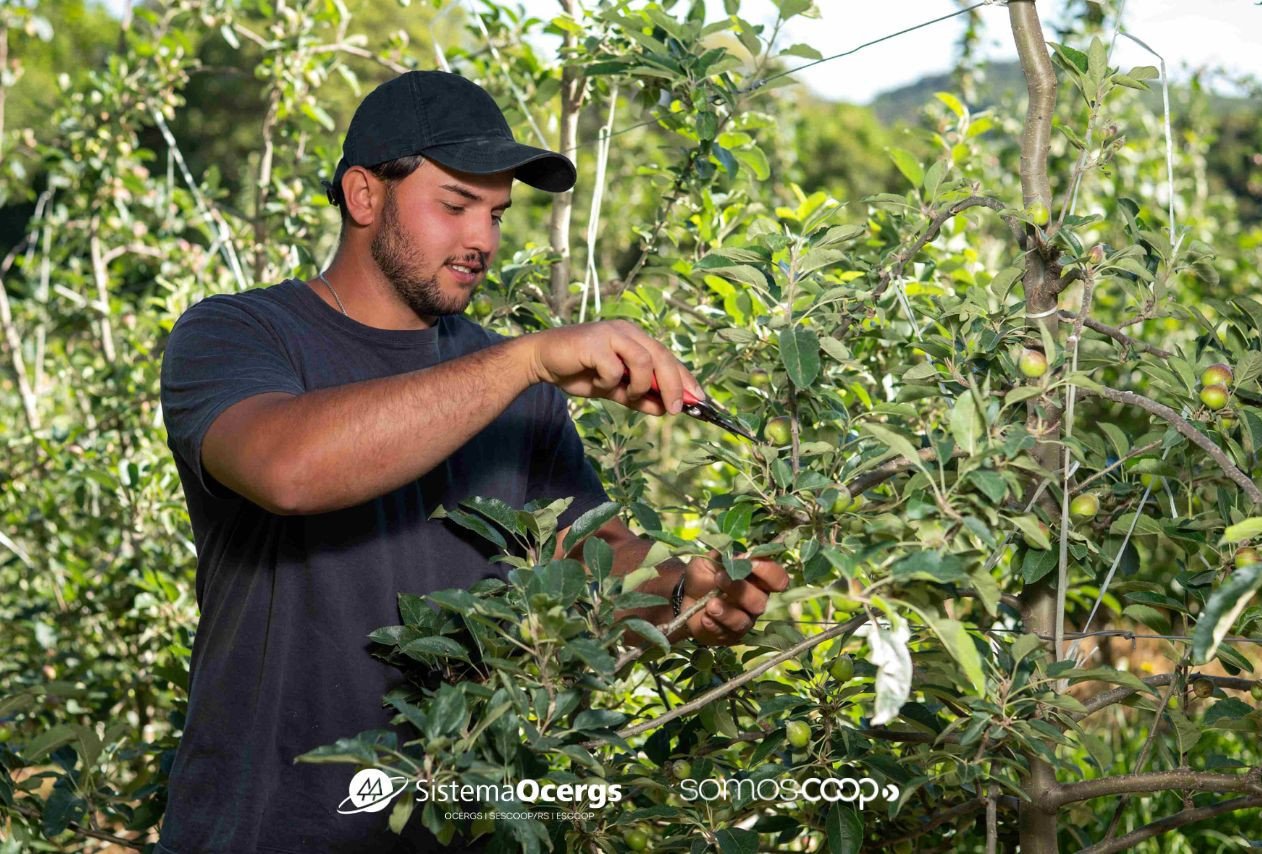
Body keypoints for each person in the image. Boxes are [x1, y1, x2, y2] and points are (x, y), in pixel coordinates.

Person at [157, 70, 788, 853]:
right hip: (264, 830)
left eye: (495, 214)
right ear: (363, 196)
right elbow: (287, 468)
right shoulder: (238, 334)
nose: (483, 240)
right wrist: (529, 360)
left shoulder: (516, 384)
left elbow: (591, 559)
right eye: (454, 205)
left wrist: (684, 595)